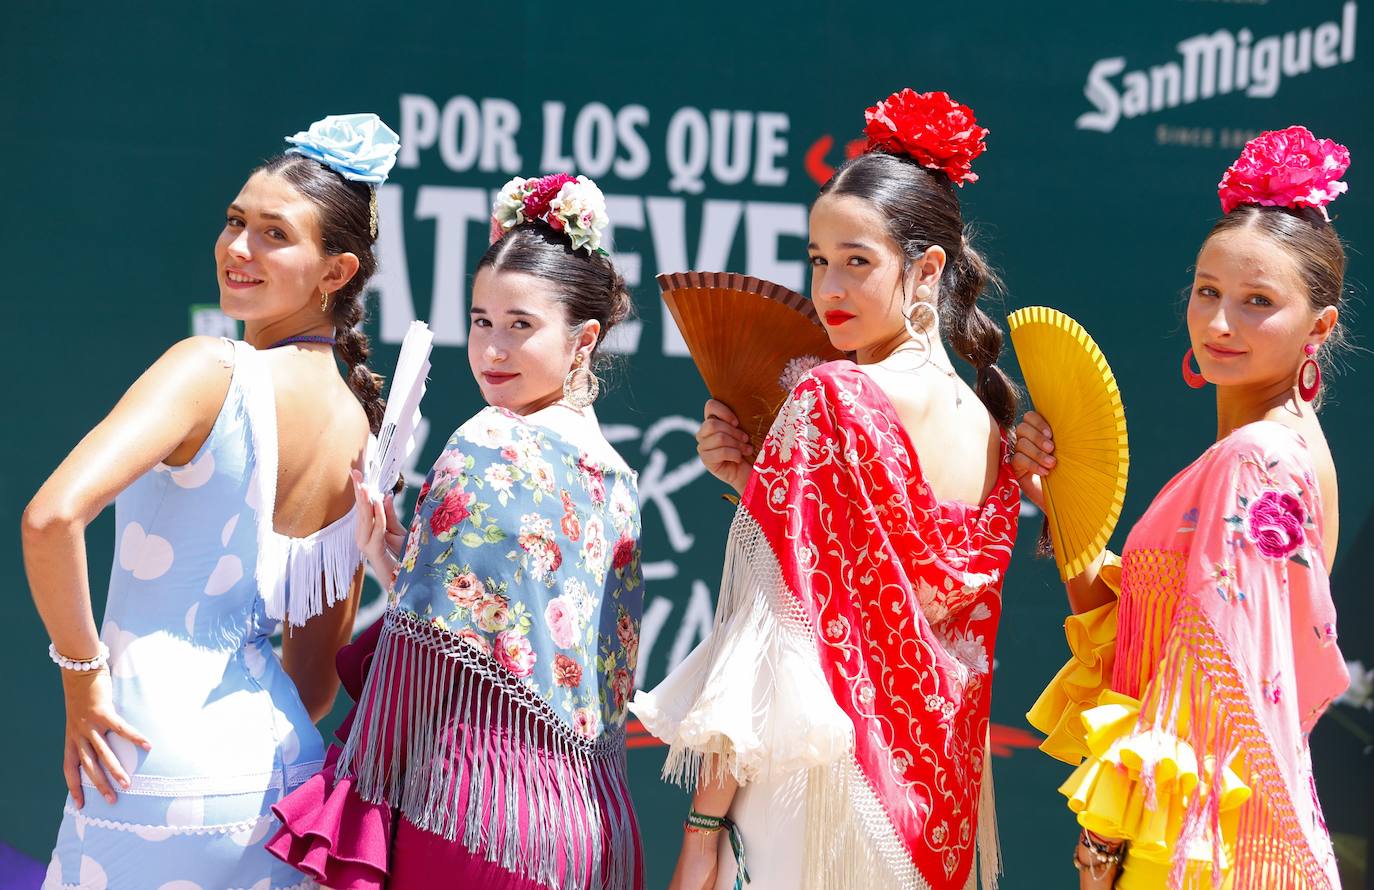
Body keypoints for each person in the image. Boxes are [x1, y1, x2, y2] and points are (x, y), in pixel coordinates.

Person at [629, 88, 1021, 890]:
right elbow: (882, 588)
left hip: (815, 799)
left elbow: (769, 630)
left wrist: (702, 830)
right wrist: (760, 486)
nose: (829, 288)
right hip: (936, 811)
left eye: (856, 260)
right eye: (817, 260)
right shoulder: (993, 431)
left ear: (928, 268)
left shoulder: (832, 398)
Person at [25, 112, 399, 889]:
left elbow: (51, 517)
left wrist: (82, 676)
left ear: (336, 272)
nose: (238, 248)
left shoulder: (209, 368)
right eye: (235, 222)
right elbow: (317, 676)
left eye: (273, 234)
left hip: (141, 759)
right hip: (277, 770)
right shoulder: (356, 422)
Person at [268, 172, 646, 890]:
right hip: (583, 836)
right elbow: (525, 645)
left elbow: (420, 664)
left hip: (471, 811)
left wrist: (352, 804)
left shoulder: (486, 440)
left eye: (520, 325)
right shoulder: (618, 480)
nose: (492, 350)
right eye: (480, 321)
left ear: (583, 339)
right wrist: (392, 558)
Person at [1021, 126, 1353, 889]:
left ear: (1320, 328)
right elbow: (1152, 645)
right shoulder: (1289, 450)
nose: (1219, 323)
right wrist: (1062, 505)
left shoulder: (1254, 461)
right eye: (1208, 291)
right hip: (1219, 837)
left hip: (1193, 850)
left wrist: (1100, 850)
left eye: (1257, 302)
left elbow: (1207, 695)